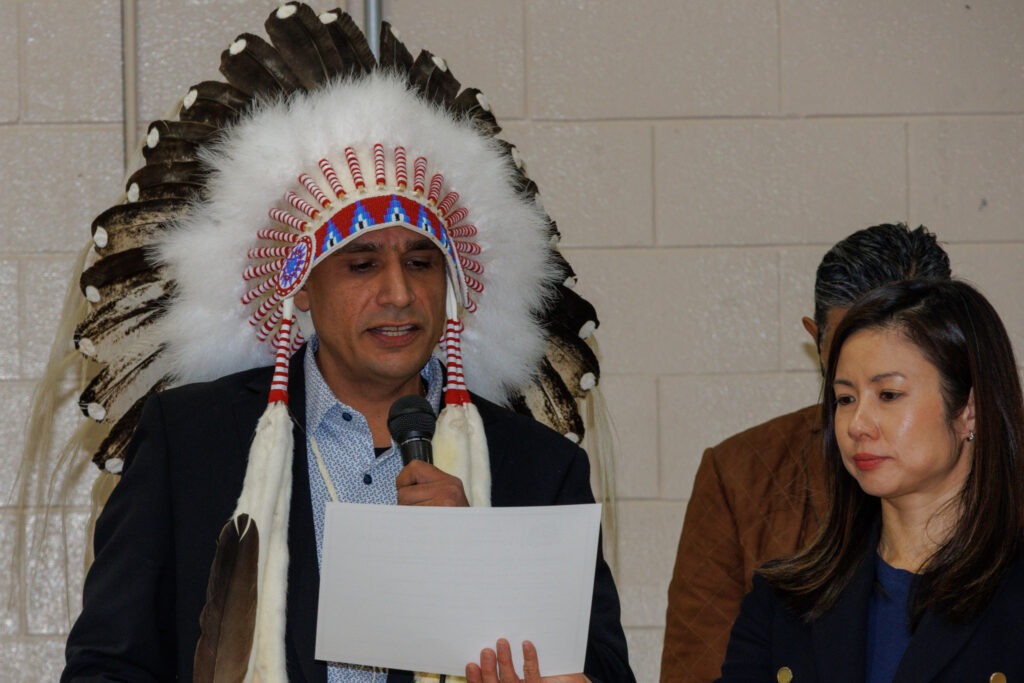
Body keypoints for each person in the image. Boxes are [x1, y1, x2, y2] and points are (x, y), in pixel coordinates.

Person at [60, 8, 632, 682]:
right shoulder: (191, 444)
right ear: (301, 285)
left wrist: (479, 557)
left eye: (421, 262)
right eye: (361, 264)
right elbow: (108, 666)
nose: (399, 293)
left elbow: (602, 672)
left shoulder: (537, 470)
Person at [660, 224, 952, 682]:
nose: (863, 421)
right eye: (847, 357)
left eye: (891, 389)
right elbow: (697, 670)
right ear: (816, 341)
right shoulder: (738, 476)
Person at [718, 278, 1024, 680]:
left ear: (969, 410)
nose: (857, 424)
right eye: (845, 399)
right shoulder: (784, 600)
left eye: (888, 395)